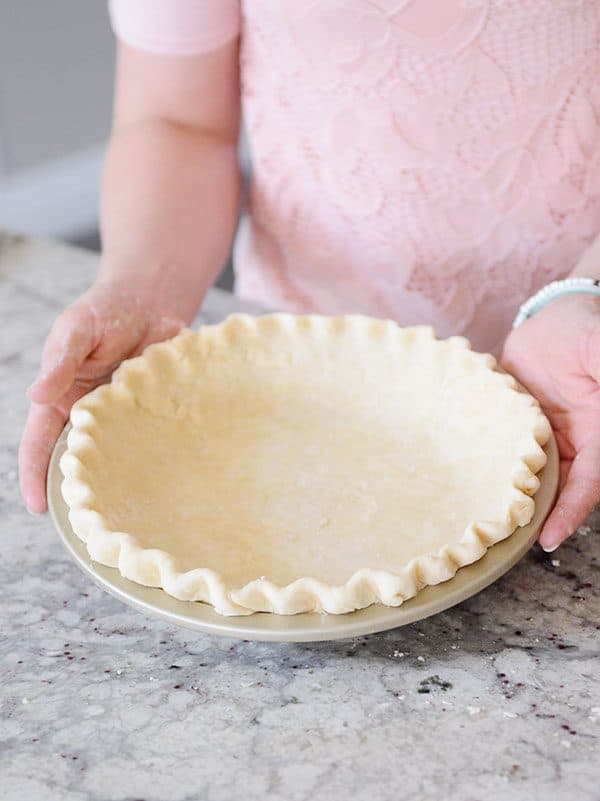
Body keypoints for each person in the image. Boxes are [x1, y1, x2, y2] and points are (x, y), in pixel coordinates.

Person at [19, 0, 600, 553]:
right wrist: (140, 288)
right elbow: (178, 122)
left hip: (578, 368)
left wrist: (586, 294)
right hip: (292, 370)